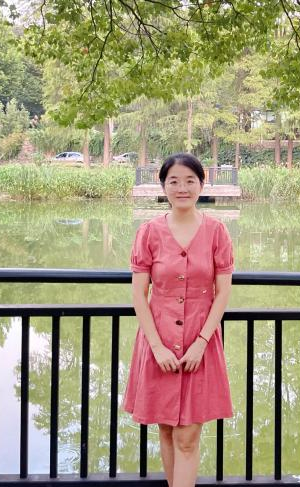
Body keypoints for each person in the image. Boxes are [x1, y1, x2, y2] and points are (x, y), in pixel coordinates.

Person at [122, 153, 234, 487]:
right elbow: (139, 294)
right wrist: (157, 347)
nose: (182, 188)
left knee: (187, 437)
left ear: (202, 184)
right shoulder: (148, 232)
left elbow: (222, 293)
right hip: (158, 340)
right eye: (174, 181)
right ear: (163, 186)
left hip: (201, 341)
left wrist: (201, 343)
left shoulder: (216, 232)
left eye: (189, 181)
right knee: (167, 430)